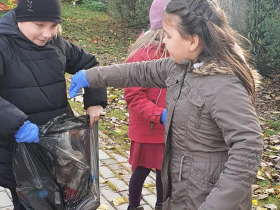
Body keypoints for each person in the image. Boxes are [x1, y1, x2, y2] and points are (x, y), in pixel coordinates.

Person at [68, 0, 264, 209]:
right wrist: (91, 76)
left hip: (206, 198)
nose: (164, 41)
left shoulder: (223, 84)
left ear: (192, 41)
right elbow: (138, 71)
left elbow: (248, 145)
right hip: (184, 191)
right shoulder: (181, 66)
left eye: (169, 36)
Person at [0, 0, 107, 209]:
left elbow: (89, 64)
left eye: (53, 25)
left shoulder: (57, 44)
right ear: (21, 18)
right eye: (39, 25)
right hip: (19, 154)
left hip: (58, 150)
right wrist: (16, 123)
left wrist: (95, 100)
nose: (47, 33)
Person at [123, 0, 170, 209]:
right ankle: (134, 205)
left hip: (167, 129)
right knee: (141, 170)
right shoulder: (140, 55)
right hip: (146, 127)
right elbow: (134, 96)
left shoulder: (174, 51)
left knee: (163, 171)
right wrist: (158, 114)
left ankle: (161, 204)